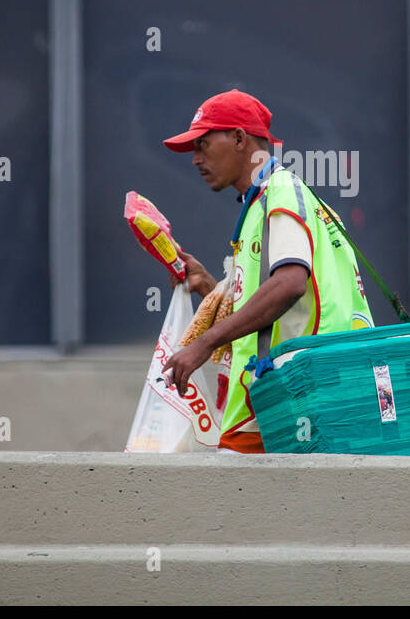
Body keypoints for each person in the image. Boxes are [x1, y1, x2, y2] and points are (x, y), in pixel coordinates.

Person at [160, 88, 373, 454]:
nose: (195, 159)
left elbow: (290, 284)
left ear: (240, 138)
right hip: (288, 401)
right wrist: (210, 286)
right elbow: (278, 301)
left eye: (203, 144)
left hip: (294, 400)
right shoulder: (265, 200)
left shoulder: (281, 192)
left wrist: (202, 345)